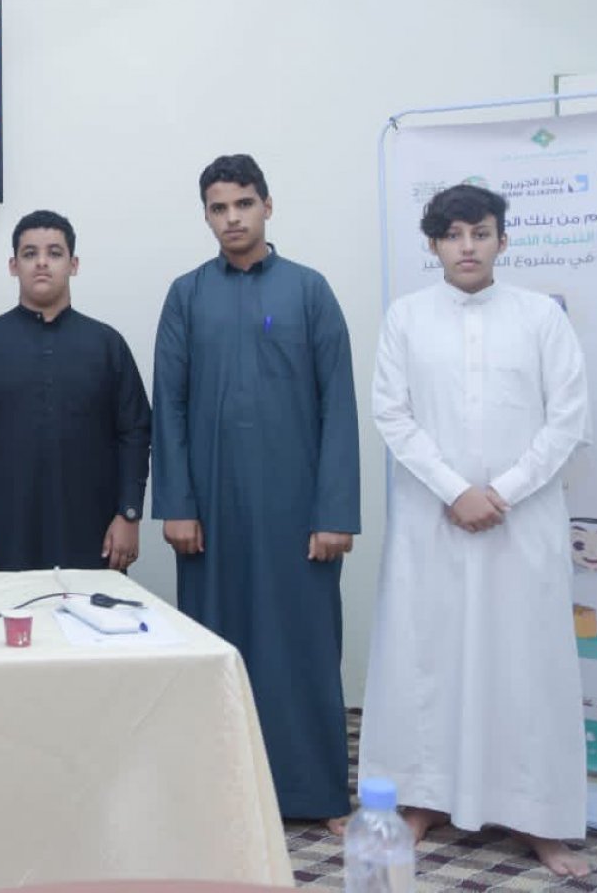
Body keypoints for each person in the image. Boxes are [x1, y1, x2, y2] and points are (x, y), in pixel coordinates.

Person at [361, 184, 591, 878]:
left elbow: (568, 418)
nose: (467, 247)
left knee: (525, 664)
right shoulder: (406, 318)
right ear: (433, 244)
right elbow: (391, 412)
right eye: (453, 235)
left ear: (502, 240)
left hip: (522, 524)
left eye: (480, 233)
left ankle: (537, 816)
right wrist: (455, 490)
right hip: (432, 522)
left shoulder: (539, 318)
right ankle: (423, 800)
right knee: (425, 658)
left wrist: (501, 492)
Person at [152, 155, 359, 830]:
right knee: (219, 647)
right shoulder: (187, 295)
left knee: (303, 647)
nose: (232, 218)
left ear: (267, 206)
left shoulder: (309, 291)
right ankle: (219, 795)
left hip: (297, 510)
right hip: (210, 512)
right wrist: (176, 505)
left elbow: (338, 406)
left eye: (243, 203)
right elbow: (168, 406)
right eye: (218, 208)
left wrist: (334, 513)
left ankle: (317, 794)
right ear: (206, 216)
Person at [0, 211, 150, 572]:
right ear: (13, 266)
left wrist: (129, 514)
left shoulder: (106, 344)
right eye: (30, 254)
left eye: (54, 253)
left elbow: (134, 433)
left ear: (73, 264)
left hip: (92, 529)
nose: (42, 262)